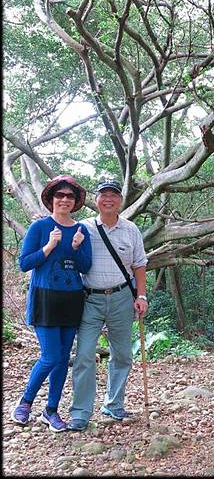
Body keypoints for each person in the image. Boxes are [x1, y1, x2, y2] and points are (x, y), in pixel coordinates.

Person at [11, 175, 92, 432]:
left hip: (71, 300)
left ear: (75, 201)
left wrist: (78, 248)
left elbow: (86, 267)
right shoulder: (40, 227)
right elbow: (24, 263)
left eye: (70, 196)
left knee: (62, 357)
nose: (65, 200)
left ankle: (51, 410)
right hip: (44, 298)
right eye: (60, 195)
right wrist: (49, 246)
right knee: (50, 356)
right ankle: (25, 403)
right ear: (51, 199)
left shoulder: (81, 230)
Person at [67, 179, 148, 431]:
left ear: (120, 201)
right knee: (84, 355)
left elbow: (139, 264)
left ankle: (113, 404)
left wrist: (141, 296)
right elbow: (70, 255)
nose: (108, 199)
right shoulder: (84, 227)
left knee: (122, 353)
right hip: (90, 298)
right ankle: (80, 412)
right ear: (96, 200)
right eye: (103, 195)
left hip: (123, 297)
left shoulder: (131, 229)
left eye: (113, 195)